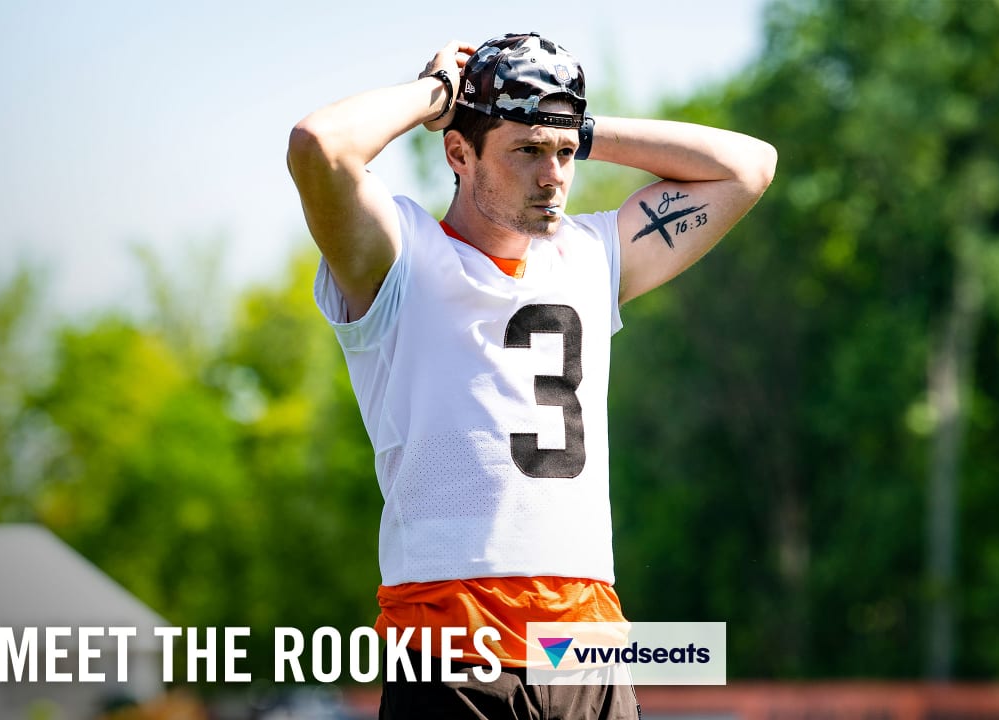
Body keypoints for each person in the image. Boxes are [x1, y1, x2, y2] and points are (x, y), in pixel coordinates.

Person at [287, 32, 776, 719]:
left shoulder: (591, 254)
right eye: (526, 151)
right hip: (450, 645)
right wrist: (437, 96)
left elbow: (750, 168)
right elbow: (318, 145)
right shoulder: (399, 258)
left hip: (586, 645)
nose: (553, 176)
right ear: (459, 152)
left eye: (564, 155)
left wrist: (571, 125)